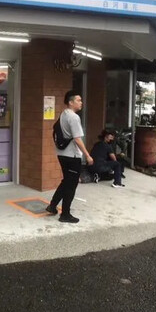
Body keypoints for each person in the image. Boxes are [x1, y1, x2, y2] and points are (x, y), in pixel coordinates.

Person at [46, 90, 93, 224]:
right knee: (71, 185)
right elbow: (77, 139)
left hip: (62, 154)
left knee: (66, 181)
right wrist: (88, 156)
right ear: (71, 102)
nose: (81, 102)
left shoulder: (63, 114)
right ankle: (65, 214)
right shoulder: (73, 117)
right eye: (78, 100)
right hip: (72, 155)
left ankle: (52, 206)